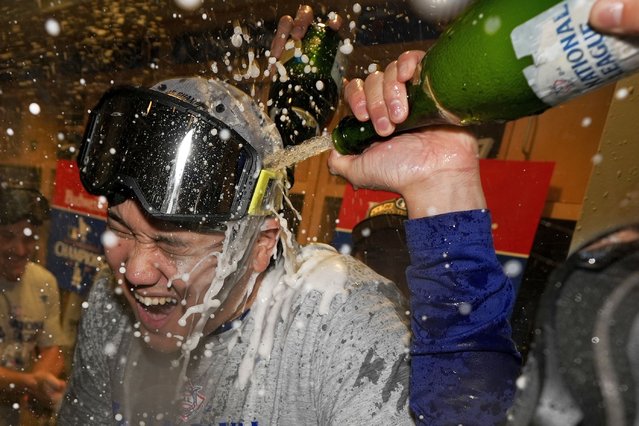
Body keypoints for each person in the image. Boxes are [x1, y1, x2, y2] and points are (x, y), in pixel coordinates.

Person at [58, 7, 520, 426]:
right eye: (119, 229)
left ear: (262, 246)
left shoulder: (332, 318)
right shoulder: (110, 304)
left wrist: (445, 189)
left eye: (171, 244)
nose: (133, 272)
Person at [0, 186, 67, 425]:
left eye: (28, 239)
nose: (19, 250)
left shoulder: (45, 283)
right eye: (8, 236)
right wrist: (29, 383)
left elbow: (52, 348)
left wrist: (41, 379)